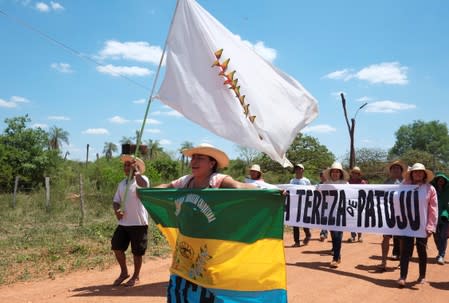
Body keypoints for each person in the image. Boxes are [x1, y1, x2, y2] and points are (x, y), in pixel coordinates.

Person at [155, 143, 258, 299]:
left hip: (213, 245)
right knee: (184, 284)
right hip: (188, 243)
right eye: (193, 157)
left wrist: (271, 192)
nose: (194, 161)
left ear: (212, 164)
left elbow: (240, 187)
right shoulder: (186, 181)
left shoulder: (218, 180)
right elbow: (166, 187)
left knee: (211, 285)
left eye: (200, 158)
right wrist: (145, 191)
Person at [111, 155, 150, 287]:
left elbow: (144, 186)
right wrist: (117, 211)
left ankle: (136, 276)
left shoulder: (142, 180)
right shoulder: (121, 184)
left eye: (130, 165)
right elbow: (116, 201)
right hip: (124, 222)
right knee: (116, 247)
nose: (127, 168)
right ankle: (124, 273)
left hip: (138, 222)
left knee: (137, 252)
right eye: (125, 165)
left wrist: (137, 173)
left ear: (137, 167)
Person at [397, 163, 438, 287]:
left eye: (421, 172)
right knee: (405, 251)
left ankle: (422, 275)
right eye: (415, 172)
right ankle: (402, 276)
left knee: (421, 250)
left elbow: (433, 209)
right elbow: (394, 198)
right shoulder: (404, 186)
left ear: (424, 174)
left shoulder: (430, 189)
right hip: (407, 225)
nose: (418, 173)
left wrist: (430, 226)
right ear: (411, 174)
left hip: (422, 226)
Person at [378, 160, 407, 272]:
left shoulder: (406, 183)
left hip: (401, 214)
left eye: (398, 168)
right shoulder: (386, 182)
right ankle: (383, 261)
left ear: (401, 170)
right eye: (393, 168)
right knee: (385, 238)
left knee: (401, 239)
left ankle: (401, 262)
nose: (395, 170)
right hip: (388, 214)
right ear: (390, 171)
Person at [323, 162, 349, 268]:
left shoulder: (345, 184)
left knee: (338, 234)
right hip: (329, 212)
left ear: (340, 173)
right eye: (333, 171)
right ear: (330, 173)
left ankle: (335, 258)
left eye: (337, 171)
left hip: (341, 212)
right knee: (333, 235)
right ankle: (337, 255)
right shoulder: (326, 184)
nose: (335, 173)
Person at [289, 163, 312, 247]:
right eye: (296, 169)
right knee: (295, 223)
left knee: (304, 223)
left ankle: (308, 234)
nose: (298, 170)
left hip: (304, 205)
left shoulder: (306, 181)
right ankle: (297, 241)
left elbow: (311, 192)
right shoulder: (292, 181)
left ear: (303, 170)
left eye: (299, 169)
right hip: (294, 205)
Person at [431, 172, 449, 265]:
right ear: (436, 181)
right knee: (436, 236)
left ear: (445, 181)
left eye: (442, 180)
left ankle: (441, 255)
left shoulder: (448, 190)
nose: (441, 182)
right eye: (439, 180)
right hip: (433, 216)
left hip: (445, 215)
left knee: (443, 236)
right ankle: (440, 251)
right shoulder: (432, 190)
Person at [347, 166, 368, 243]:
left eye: (357, 173)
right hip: (351, 203)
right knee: (352, 220)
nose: (355, 174)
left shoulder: (363, 182)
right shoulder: (348, 182)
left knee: (360, 220)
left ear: (359, 174)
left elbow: (367, 192)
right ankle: (353, 236)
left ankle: (360, 236)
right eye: (353, 173)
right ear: (351, 174)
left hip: (360, 203)